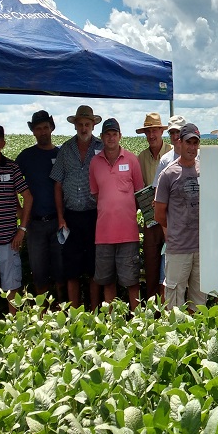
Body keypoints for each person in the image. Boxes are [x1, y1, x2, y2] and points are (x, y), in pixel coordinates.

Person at [50, 105, 103, 309]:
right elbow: (58, 185)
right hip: (71, 216)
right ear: (75, 126)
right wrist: (61, 217)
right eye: (80, 124)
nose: (83, 128)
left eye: (87, 124)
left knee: (93, 266)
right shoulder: (66, 149)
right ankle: (74, 312)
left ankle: (94, 309)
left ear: (92, 125)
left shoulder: (100, 148)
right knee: (71, 267)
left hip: (94, 216)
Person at [89, 118, 144, 310]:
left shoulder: (131, 160)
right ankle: (112, 324)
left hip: (128, 233)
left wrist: (125, 212)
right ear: (102, 137)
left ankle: (137, 321)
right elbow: (96, 194)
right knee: (107, 282)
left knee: (132, 281)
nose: (111, 138)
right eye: (107, 134)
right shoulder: (95, 163)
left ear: (120, 136)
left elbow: (139, 193)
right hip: (103, 235)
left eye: (114, 134)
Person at [154, 123, 205, 310]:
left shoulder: (204, 170)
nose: (192, 147)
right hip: (178, 249)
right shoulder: (168, 174)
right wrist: (177, 228)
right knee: (174, 306)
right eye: (188, 142)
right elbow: (159, 214)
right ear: (179, 142)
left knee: (199, 303)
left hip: (201, 249)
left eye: (195, 143)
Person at [15, 110, 64, 299]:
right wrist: (19, 210)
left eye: (45, 127)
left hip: (58, 222)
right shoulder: (26, 156)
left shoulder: (61, 154)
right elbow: (12, 183)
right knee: (39, 272)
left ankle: (61, 308)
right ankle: (41, 315)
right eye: (38, 129)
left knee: (61, 270)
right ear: (33, 132)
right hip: (34, 225)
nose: (43, 132)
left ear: (51, 128)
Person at [0, 123, 32, 313]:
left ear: (3, 143)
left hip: (9, 239)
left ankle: (15, 329)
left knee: (12, 286)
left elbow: (28, 196)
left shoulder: (12, 167)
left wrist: (22, 230)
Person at [136, 112, 171, 301]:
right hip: (150, 221)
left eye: (155, 130)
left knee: (170, 267)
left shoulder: (172, 152)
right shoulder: (140, 158)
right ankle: (152, 310)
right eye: (148, 132)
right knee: (151, 265)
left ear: (161, 131)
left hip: (170, 220)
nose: (151, 135)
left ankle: (170, 308)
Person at [153, 115, 188, 187]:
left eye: (178, 132)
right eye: (172, 133)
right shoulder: (165, 160)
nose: (175, 136)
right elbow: (158, 189)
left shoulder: (198, 156)